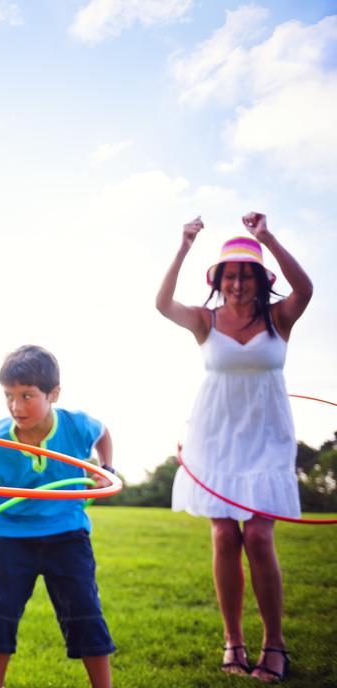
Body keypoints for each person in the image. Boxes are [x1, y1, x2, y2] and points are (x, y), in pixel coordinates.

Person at [155, 212, 312, 683]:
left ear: (261, 279)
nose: (238, 282)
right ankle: (233, 641)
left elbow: (305, 289)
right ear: (219, 279)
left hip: (266, 436)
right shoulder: (205, 320)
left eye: (246, 273)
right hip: (215, 435)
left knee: (260, 538)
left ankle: (275, 644)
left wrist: (267, 237)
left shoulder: (279, 317)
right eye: (230, 273)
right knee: (225, 537)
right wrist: (183, 246)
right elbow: (162, 304)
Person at [0, 344, 116, 688]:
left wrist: (105, 467)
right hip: (11, 538)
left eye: (27, 395)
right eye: (9, 395)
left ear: (53, 394)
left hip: (67, 534)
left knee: (85, 613)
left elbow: (103, 432)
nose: (16, 406)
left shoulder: (76, 425)